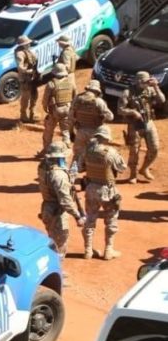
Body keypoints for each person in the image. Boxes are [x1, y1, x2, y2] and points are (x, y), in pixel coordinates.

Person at [80, 126, 126, 260]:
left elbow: (80, 167)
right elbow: (122, 167)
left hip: (91, 188)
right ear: (106, 137)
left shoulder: (87, 151)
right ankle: (108, 250)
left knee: (90, 219)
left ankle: (88, 250)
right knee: (111, 219)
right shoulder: (110, 152)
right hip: (108, 191)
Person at [38, 141, 84, 258]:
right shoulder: (59, 175)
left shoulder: (43, 166)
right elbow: (65, 200)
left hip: (47, 208)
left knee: (51, 238)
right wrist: (77, 216)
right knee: (59, 243)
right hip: (57, 212)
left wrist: (69, 175)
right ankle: (56, 270)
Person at [118, 71, 164, 183]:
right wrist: (133, 112)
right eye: (144, 81)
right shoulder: (128, 92)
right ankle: (133, 174)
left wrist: (156, 86)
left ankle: (144, 168)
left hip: (149, 122)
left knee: (154, 148)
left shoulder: (150, 89)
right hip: (135, 124)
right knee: (134, 150)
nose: (146, 83)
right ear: (138, 81)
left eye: (148, 81)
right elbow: (120, 109)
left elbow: (162, 100)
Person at [70, 80, 113, 168]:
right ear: (97, 91)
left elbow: (70, 115)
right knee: (94, 154)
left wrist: (72, 130)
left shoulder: (77, 99)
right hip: (95, 132)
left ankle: (72, 175)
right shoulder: (98, 101)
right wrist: (101, 116)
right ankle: (91, 176)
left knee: (77, 155)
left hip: (80, 131)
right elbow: (110, 117)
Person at [39, 63, 76, 156]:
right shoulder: (71, 83)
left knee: (48, 131)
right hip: (67, 109)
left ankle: (46, 150)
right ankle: (67, 149)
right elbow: (75, 97)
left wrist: (45, 108)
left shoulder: (51, 84)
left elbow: (45, 99)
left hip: (55, 111)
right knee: (65, 131)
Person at [15, 35, 39, 123]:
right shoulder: (20, 54)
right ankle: (23, 115)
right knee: (26, 97)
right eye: (27, 43)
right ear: (22, 45)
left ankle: (33, 113)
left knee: (34, 95)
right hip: (25, 79)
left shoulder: (27, 51)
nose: (29, 44)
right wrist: (29, 71)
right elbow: (20, 67)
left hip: (32, 78)